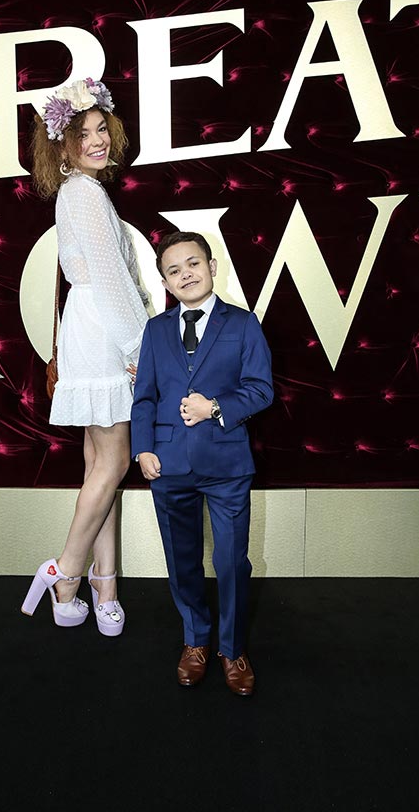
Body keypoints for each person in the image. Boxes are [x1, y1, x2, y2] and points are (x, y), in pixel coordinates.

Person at [21, 78, 150, 636]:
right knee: (114, 464)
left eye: (102, 129)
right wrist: (140, 347)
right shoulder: (85, 194)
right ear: (62, 143)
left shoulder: (79, 192)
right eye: (83, 133)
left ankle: (105, 584)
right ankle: (67, 572)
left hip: (89, 327)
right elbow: (112, 279)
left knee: (100, 467)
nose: (97, 141)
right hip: (104, 330)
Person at [131, 231, 273, 695]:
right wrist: (142, 448)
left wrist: (214, 407)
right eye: (174, 270)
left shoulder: (243, 323)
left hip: (227, 464)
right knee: (182, 561)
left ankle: (232, 648)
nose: (185, 274)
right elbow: (144, 396)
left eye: (193, 264)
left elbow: (261, 389)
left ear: (212, 267)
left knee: (231, 562)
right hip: (167, 465)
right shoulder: (155, 331)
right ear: (165, 283)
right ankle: (195, 640)